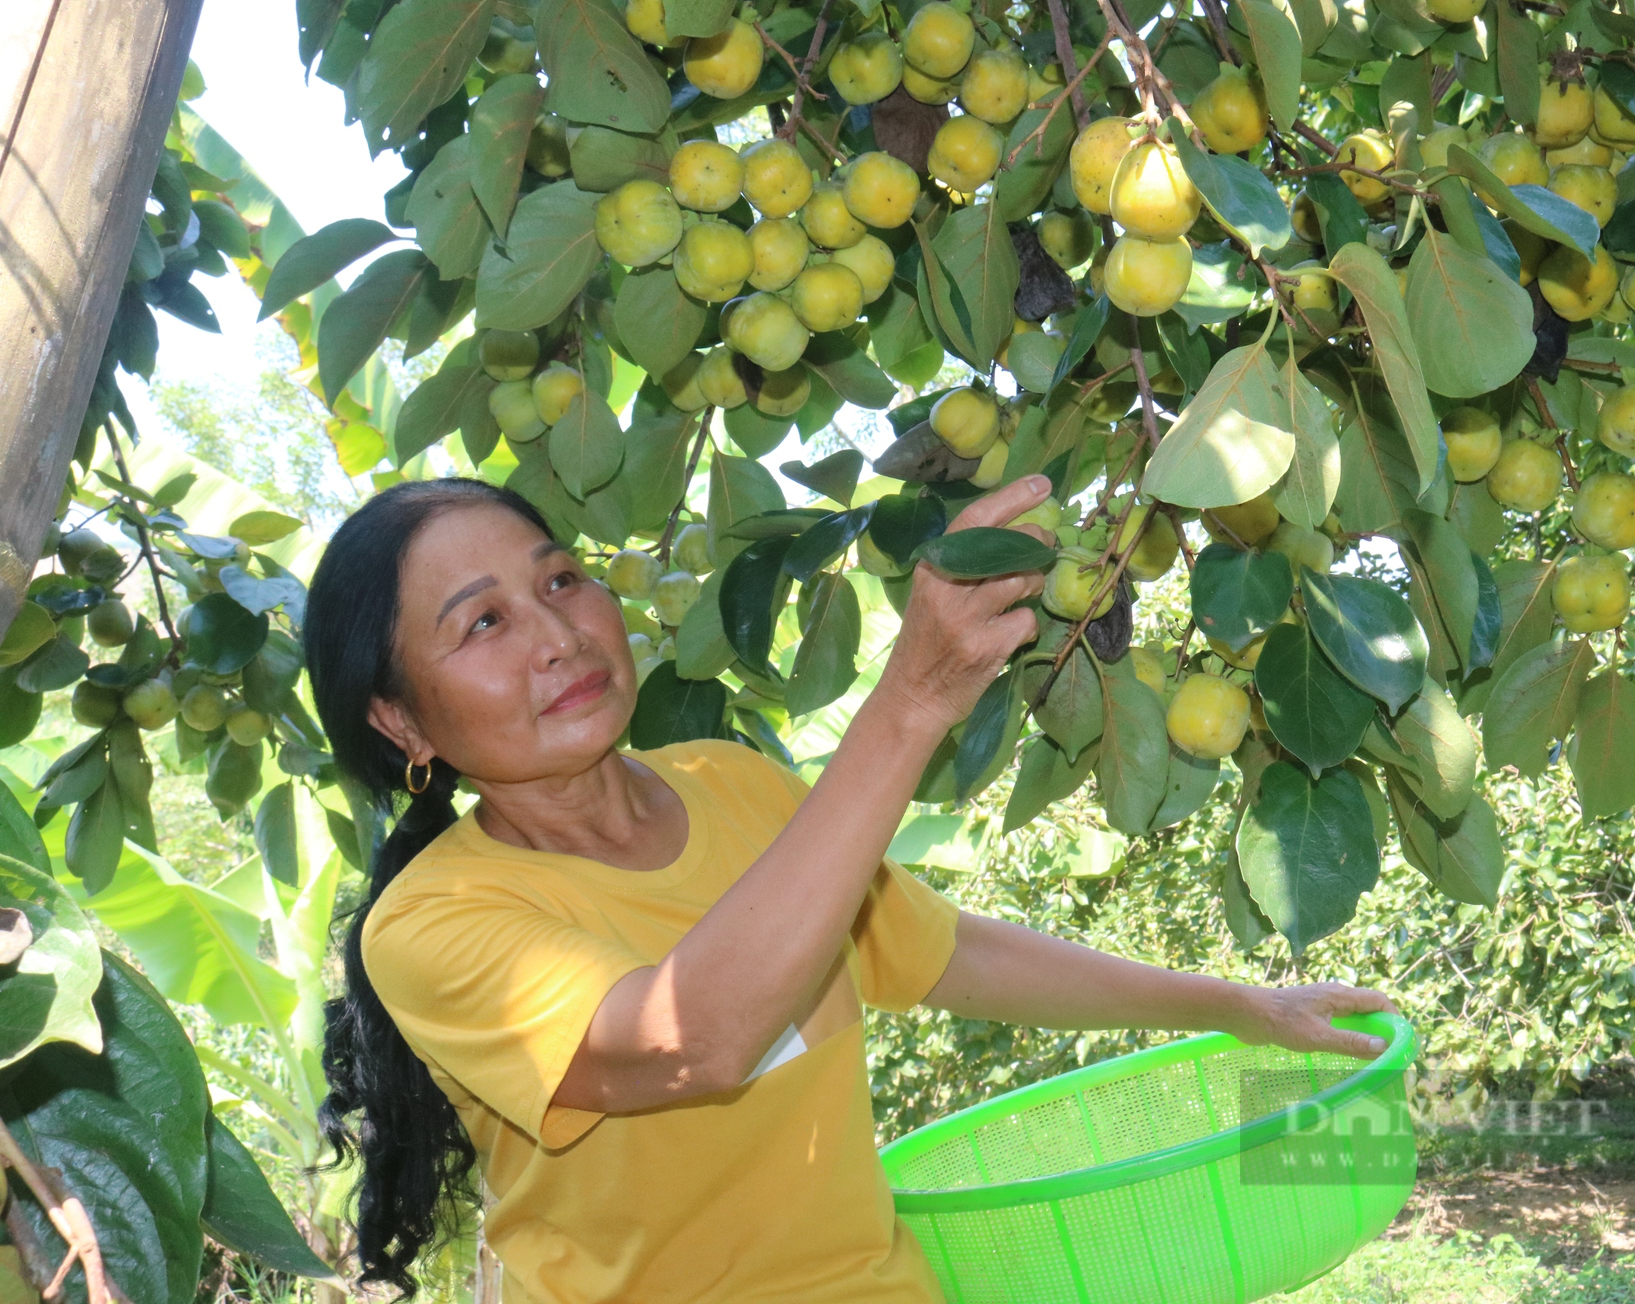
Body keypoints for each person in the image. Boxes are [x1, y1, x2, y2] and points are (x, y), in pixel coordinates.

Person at [303, 474, 1394, 1302]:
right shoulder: (434, 923)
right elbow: (693, 1040)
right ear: (399, 721)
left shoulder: (730, 785)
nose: (557, 634)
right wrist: (912, 700)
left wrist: (1230, 1003)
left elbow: (941, 950)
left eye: (561, 580)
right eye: (484, 623)